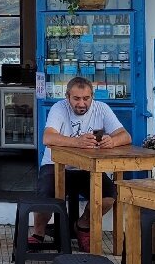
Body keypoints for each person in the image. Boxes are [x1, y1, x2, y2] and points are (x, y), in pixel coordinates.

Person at [34, 76, 132, 251]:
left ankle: (83, 225)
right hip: (55, 165)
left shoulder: (102, 109)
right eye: (76, 98)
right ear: (67, 97)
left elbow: (125, 136)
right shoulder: (59, 108)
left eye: (86, 98)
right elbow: (47, 137)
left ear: (92, 97)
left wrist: (112, 141)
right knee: (46, 195)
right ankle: (38, 233)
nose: (81, 103)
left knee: (109, 196)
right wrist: (77, 142)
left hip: (88, 168)